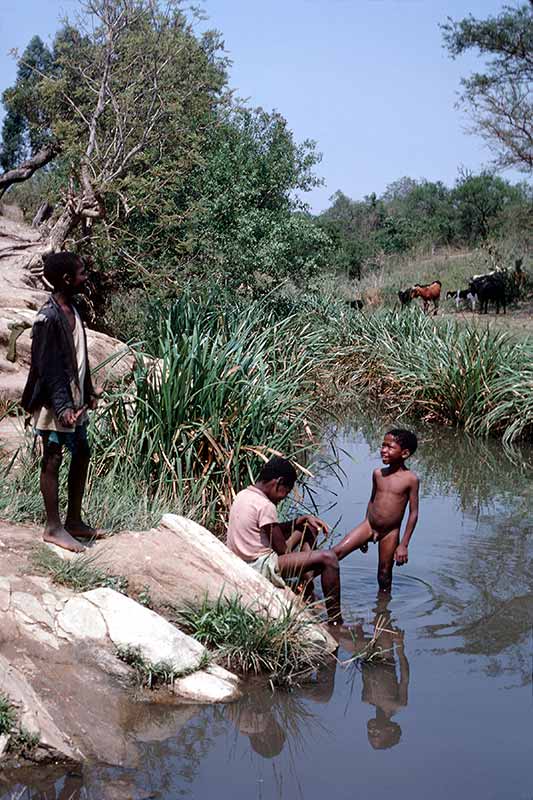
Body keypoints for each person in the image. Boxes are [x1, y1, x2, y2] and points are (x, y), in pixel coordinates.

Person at [21, 251, 101, 553]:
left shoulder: (74, 308)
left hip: (74, 402)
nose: (85, 277)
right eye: (81, 273)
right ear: (67, 279)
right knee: (53, 457)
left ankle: (74, 520)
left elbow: (78, 357)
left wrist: (89, 391)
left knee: (82, 453)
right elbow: (46, 366)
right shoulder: (47, 317)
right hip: (56, 404)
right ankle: (53, 528)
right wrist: (63, 406)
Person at [226, 456, 343, 625]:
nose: (283, 498)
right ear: (278, 482)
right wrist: (307, 562)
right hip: (260, 565)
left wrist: (300, 520)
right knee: (329, 558)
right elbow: (282, 550)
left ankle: (306, 589)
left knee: (308, 528)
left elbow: (267, 529)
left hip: (243, 559)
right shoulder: (266, 506)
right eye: (285, 492)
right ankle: (336, 621)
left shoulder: (244, 494)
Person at [333, 429, 419, 592]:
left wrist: (404, 545)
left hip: (390, 532)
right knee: (336, 552)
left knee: (384, 574)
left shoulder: (411, 479)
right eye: (383, 445)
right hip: (369, 525)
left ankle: (382, 610)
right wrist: (365, 531)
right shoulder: (378, 474)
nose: (383, 450)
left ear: (405, 453)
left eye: (390, 447)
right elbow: (372, 501)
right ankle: (305, 581)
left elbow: (413, 513)